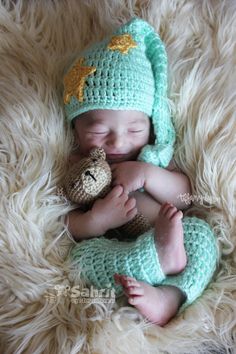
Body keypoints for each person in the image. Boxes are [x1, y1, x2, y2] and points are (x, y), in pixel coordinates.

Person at [63, 17, 218, 326]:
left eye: (134, 129)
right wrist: (96, 220)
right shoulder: (80, 168)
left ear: (150, 125)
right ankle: (157, 261)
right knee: (80, 260)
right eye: (98, 131)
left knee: (202, 237)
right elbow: (66, 222)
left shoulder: (154, 157)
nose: (118, 141)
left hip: (174, 240)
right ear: (76, 130)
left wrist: (148, 174)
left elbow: (186, 197)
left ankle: (170, 297)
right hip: (116, 250)